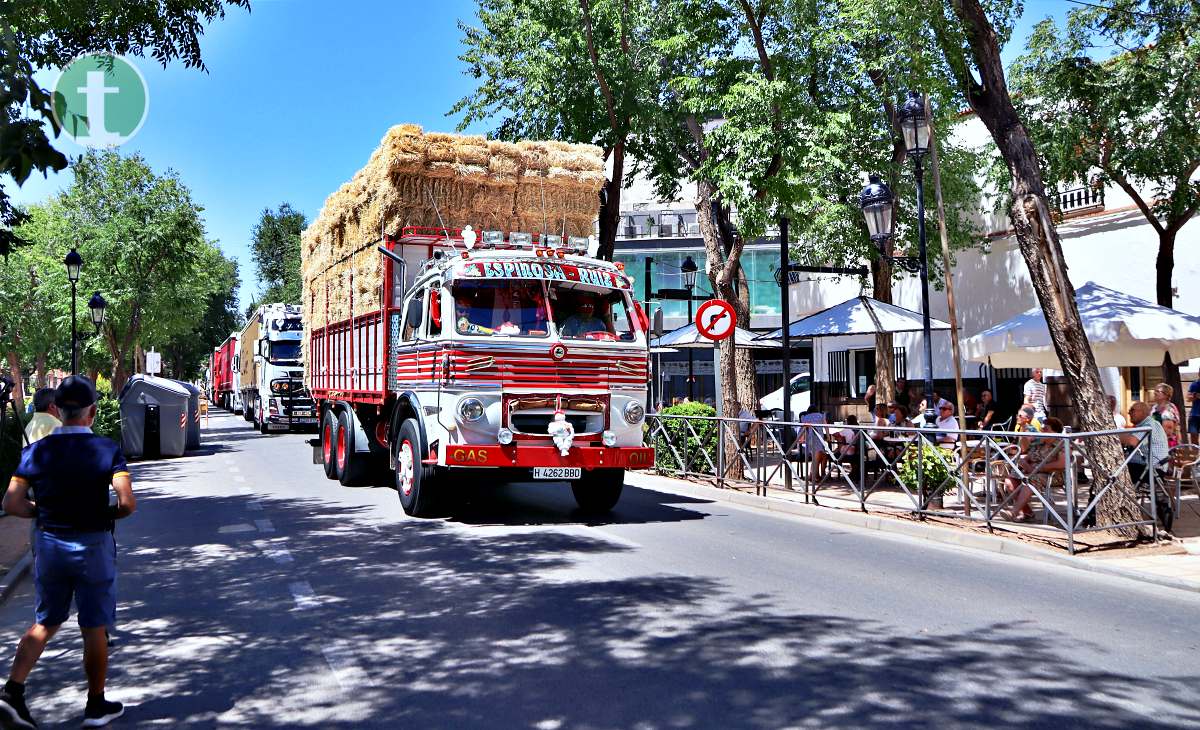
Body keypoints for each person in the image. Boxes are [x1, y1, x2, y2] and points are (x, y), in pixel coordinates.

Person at [0, 376, 135, 729]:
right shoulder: (107, 451)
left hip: (50, 544)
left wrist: (42, 512)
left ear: (57, 411)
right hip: (93, 545)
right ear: (92, 412)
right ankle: (95, 704)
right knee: (93, 626)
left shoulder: (36, 452)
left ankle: (12, 692)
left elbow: (12, 503)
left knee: (46, 621)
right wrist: (105, 514)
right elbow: (126, 503)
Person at [1004, 416, 1066, 522]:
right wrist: (1024, 462)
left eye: (1045, 429)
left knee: (1029, 481)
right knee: (1010, 481)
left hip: (1052, 475)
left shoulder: (1062, 444)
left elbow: (1062, 463)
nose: (1042, 431)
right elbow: (1025, 451)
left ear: (1055, 432)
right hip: (1032, 472)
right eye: (1042, 429)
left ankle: (1013, 512)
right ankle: (1027, 513)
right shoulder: (1039, 443)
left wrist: (1039, 468)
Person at [1122, 401, 1170, 486]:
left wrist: (1112, 436)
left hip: (1151, 470)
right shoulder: (1145, 425)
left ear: (1142, 412)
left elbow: (1132, 442)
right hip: (1146, 467)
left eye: (1132, 410)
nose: (1129, 413)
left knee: (1114, 469)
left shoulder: (1149, 424)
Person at [800, 405, 829, 482]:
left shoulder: (805, 417)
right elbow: (826, 426)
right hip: (818, 438)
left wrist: (802, 438)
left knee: (817, 457)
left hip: (809, 439)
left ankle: (815, 475)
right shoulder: (820, 416)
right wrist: (828, 436)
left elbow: (803, 428)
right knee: (818, 457)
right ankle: (813, 476)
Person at [1150, 383, 1181, 448]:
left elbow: (1168, 430)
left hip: (1167, 444)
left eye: (1158, 391)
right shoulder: (1154, 408)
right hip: (1154, 442)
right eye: (1155, 391)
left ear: (1166, 395)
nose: (1155, 393)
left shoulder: (1169, 409)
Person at [1189, 379, 1200, 444]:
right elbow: (1188, 398)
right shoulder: (1195, 384)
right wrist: (1195, 396)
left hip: (1194, 414)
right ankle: (1196, 453)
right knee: (1193, 438)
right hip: (1194, 414)